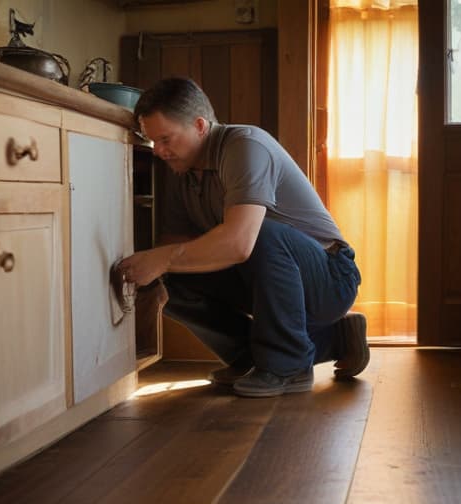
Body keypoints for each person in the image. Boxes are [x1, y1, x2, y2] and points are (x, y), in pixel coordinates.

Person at [119, 77, 369, 398]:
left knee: (257, 231)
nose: (158, 152)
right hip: (265, 279)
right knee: (169, 275)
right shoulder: (183, 173)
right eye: (153, 142)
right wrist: (154, 269)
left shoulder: (245, 146)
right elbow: (174, 248)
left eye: (166, 139)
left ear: (199, 126)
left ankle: (287, 366)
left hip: (329, 279)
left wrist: (163, 257)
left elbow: (240, 243)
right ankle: (271, 353)